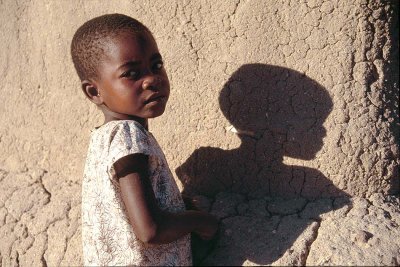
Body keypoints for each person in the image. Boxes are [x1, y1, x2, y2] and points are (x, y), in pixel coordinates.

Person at [70, 13, 218, 266]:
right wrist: (203, 222)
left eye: (156, 65)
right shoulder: (128, 135)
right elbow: (150, 230)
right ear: (94, 92)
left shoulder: (103, 138)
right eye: (132, 73)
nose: (151, 79)